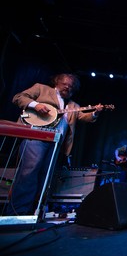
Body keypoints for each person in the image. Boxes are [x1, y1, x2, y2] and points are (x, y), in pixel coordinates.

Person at [6, 73, 104, 216]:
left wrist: (95, 112)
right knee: (29, 171)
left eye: (71, 86)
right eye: (65, 84)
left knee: (45, 177)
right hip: (36, 137)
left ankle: (35, 212)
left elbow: (84, 117)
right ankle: (17, 212)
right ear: (57, 82)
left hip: (55, 143)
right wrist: (36, 105)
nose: (67, 87)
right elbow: (18, 97)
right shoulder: (41, 89)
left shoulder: (73, 105)